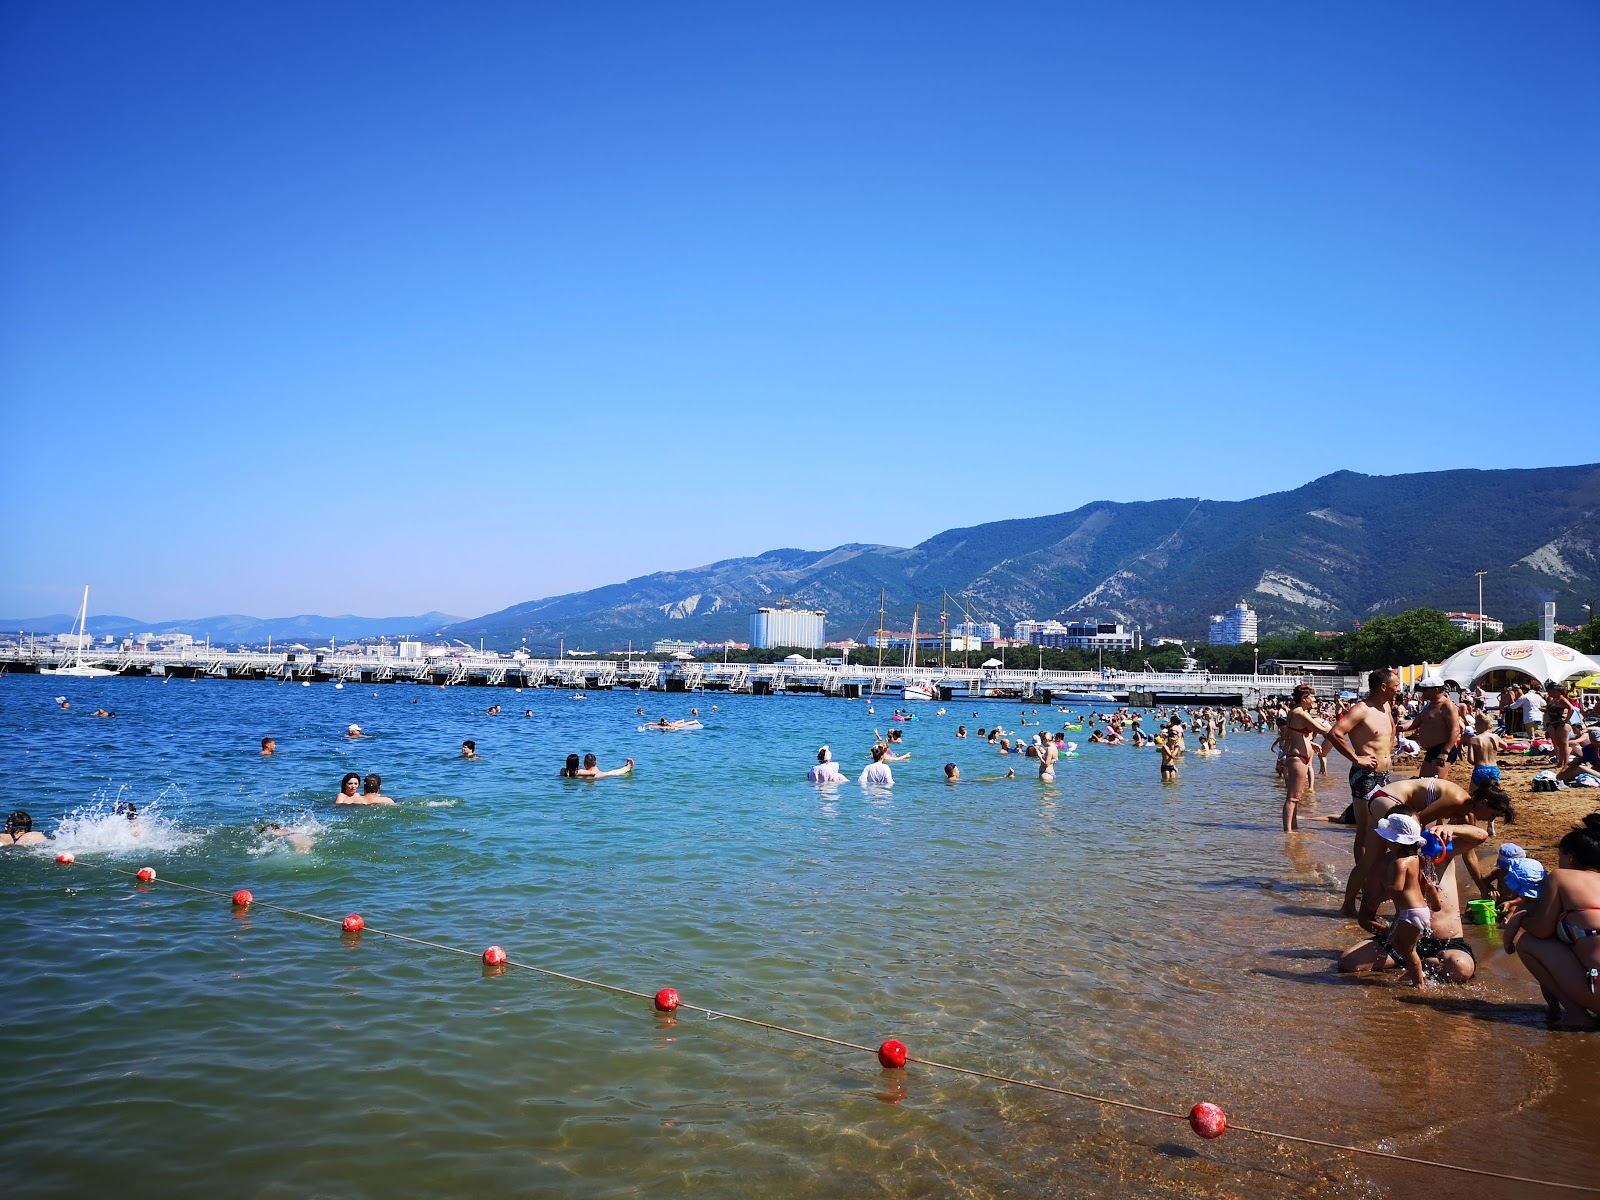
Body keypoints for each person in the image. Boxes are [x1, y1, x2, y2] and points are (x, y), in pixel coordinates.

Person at [1341, 768, 1511, 915]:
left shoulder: (1467, 813)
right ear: (1483, 803)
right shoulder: (1457, 800)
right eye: (1493, 814)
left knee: (1370, 860)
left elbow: (1469, 853)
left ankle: (1348, 907)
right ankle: (1400, 908)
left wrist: (1482, 886)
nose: (1490, 819)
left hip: (1381, 800)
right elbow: (1417, 823)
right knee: (1406, 858)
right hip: (1391, 800)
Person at [1507, 813, 1600, 1026]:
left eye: (1559, 855)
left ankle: (1579, 1016)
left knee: (1529, 943)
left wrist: (1521, 918)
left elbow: (1541, 930)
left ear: (1570, 858)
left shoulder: (1562, 877)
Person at [1325, 667, 1401, 866]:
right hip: (1364, 774)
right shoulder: (1361, 709)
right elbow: (1335, 733)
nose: (1399, 689)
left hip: (1383, 774)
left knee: (1382, 825)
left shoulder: (1385, 707)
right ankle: (1362, 877)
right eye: (1396, 685)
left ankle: (1375, 871)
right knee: (1365, 829)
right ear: (1383, 687)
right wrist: (1356, 758)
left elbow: (1389, 733)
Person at [1281, 684, 1331, 832]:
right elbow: (1322, 729)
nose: (1314, 699)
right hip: (1298, 757)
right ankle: (1288, 831)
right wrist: (1347, 725)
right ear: (1304, 698)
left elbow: (1291, 735)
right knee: (1293, 797)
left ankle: (1293, 827)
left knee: (1295, 797)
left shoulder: (1294, 712)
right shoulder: (1300, 713)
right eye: (1312, 696)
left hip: (1297, 754)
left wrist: (1310, 743)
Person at [1408, 676, 1461, 779]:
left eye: (1425, 690)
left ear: (1436, 690)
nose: (1422, 692)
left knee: (1436, 786)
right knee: (1423, 782)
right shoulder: (1429, 706)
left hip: (1442, 749)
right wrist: (1394, 726)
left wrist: (1445, 752)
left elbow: (1455, 729)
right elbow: (1414, 723)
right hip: (1431, 750)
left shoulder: (1447, 705)